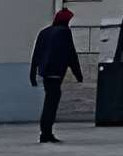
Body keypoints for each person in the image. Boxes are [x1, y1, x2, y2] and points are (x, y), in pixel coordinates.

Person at [29, 8, 83, 144]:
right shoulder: (65, 32)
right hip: (56, 71)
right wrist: (78, 74)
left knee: (49, 100)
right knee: (51, 103)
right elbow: (71, 54)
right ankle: (46, 133)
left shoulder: (44, 32)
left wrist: (33, 74)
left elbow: (36, 54)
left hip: (45, 72)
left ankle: (45, 132)